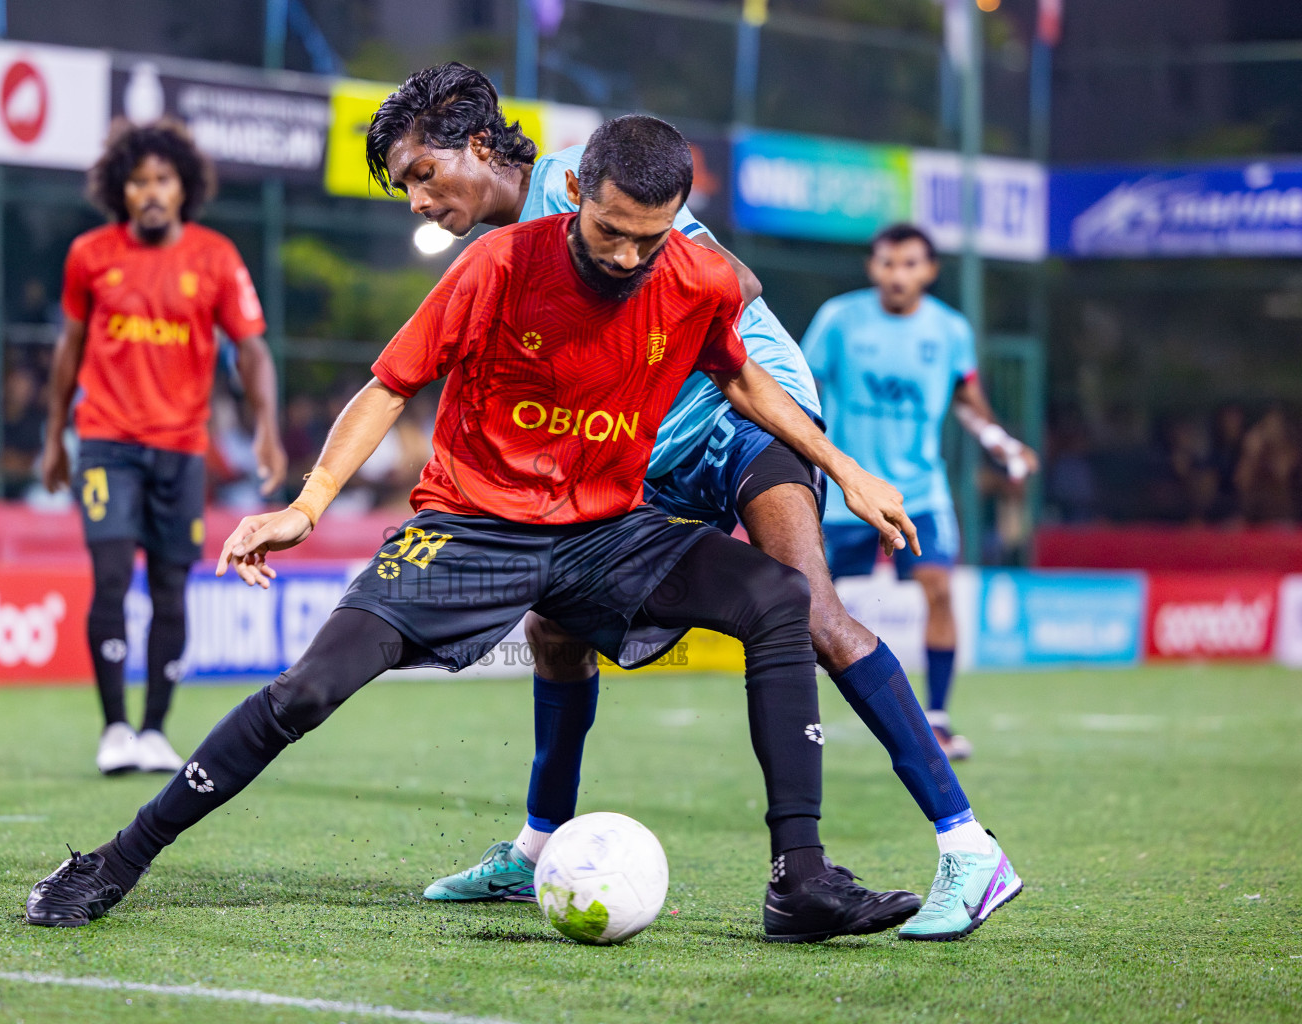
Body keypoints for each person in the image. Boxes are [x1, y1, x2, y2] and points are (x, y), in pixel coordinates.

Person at [25, 115, 926, 944]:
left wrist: (843, 469)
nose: (626, 256)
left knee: (780, 599)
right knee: (308, 690)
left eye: (649, 238)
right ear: (575, 193)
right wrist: (307, 505)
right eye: (610, 231)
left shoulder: (695, 275)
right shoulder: (498, 263)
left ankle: (799, 880)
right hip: (472, 526)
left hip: (602, 531)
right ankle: (119, 858)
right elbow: (389, 385)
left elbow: (738, 375)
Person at [367, 62, 1021, 941]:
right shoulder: (507, 250)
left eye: (422, 172)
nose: (416, 197)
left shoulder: (582, 179)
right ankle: (535, 850)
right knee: (553, 623)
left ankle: (969, 847)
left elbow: (734, 283)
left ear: (478, 146)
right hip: (645, 443)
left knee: (814, 612)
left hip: (743, 411)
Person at [40, 118, 285, 776]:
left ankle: (154, 731)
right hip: (105, 445)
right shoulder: (89, 255)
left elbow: (252, 348)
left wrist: (265, 426)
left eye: (162, 180)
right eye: (138, 181)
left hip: (182, 451)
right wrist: (54, 436)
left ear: (184, 188)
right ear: (121, 190)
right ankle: (114, 727)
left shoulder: (215, 257)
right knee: (113, 578)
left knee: (173, 588)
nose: (150, 192)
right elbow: (69, 349)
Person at [802, 223, 1040, 761]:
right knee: (809, 602)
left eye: (910, 264)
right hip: (848, 491)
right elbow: (799, 389)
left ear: (930, 271)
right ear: (872, 268)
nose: (897, 274)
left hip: (919, 492)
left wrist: (1002, 444)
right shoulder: (839, 319)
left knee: (937, 588)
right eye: (887, 263)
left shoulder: (949, 330)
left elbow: (965, 399)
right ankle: (798, 713)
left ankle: (935, 718)